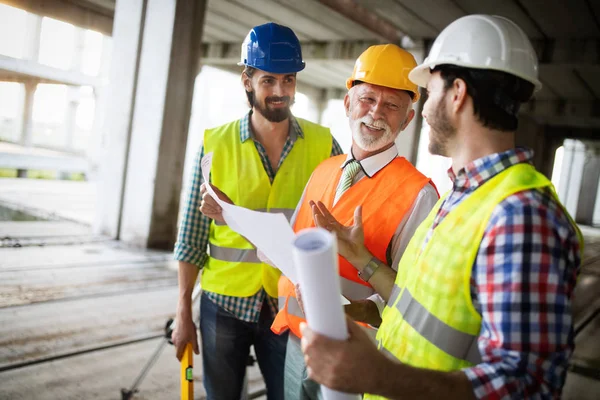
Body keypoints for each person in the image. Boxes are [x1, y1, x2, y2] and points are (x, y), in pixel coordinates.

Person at [300, 14, 583, 399]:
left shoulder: (520, 214)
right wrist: (363, 267)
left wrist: (379, 377)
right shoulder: (460, 195)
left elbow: (527, 386)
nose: (424, 108)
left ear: (457, 94)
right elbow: (424, 306)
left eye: (428, 92)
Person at [171, 22, 342, 400]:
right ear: (247, 81)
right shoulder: (215, 144)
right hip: (223, 302)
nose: (280, 92)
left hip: (288, 304)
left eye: (288, 80)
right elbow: (192, 237)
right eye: (268, 81)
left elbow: (339, 224)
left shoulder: (324, 144)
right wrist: (184, 309)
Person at [271, 44, 439, 400]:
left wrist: (350, 309)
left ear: (408, 119)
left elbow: (410, 298)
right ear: (348, 104)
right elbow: (294, 244)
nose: (376, 113)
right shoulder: (324, 170)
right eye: (367, 99)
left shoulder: (419, 195)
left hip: (356, 354)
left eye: (392, 105)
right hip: (297, 339)